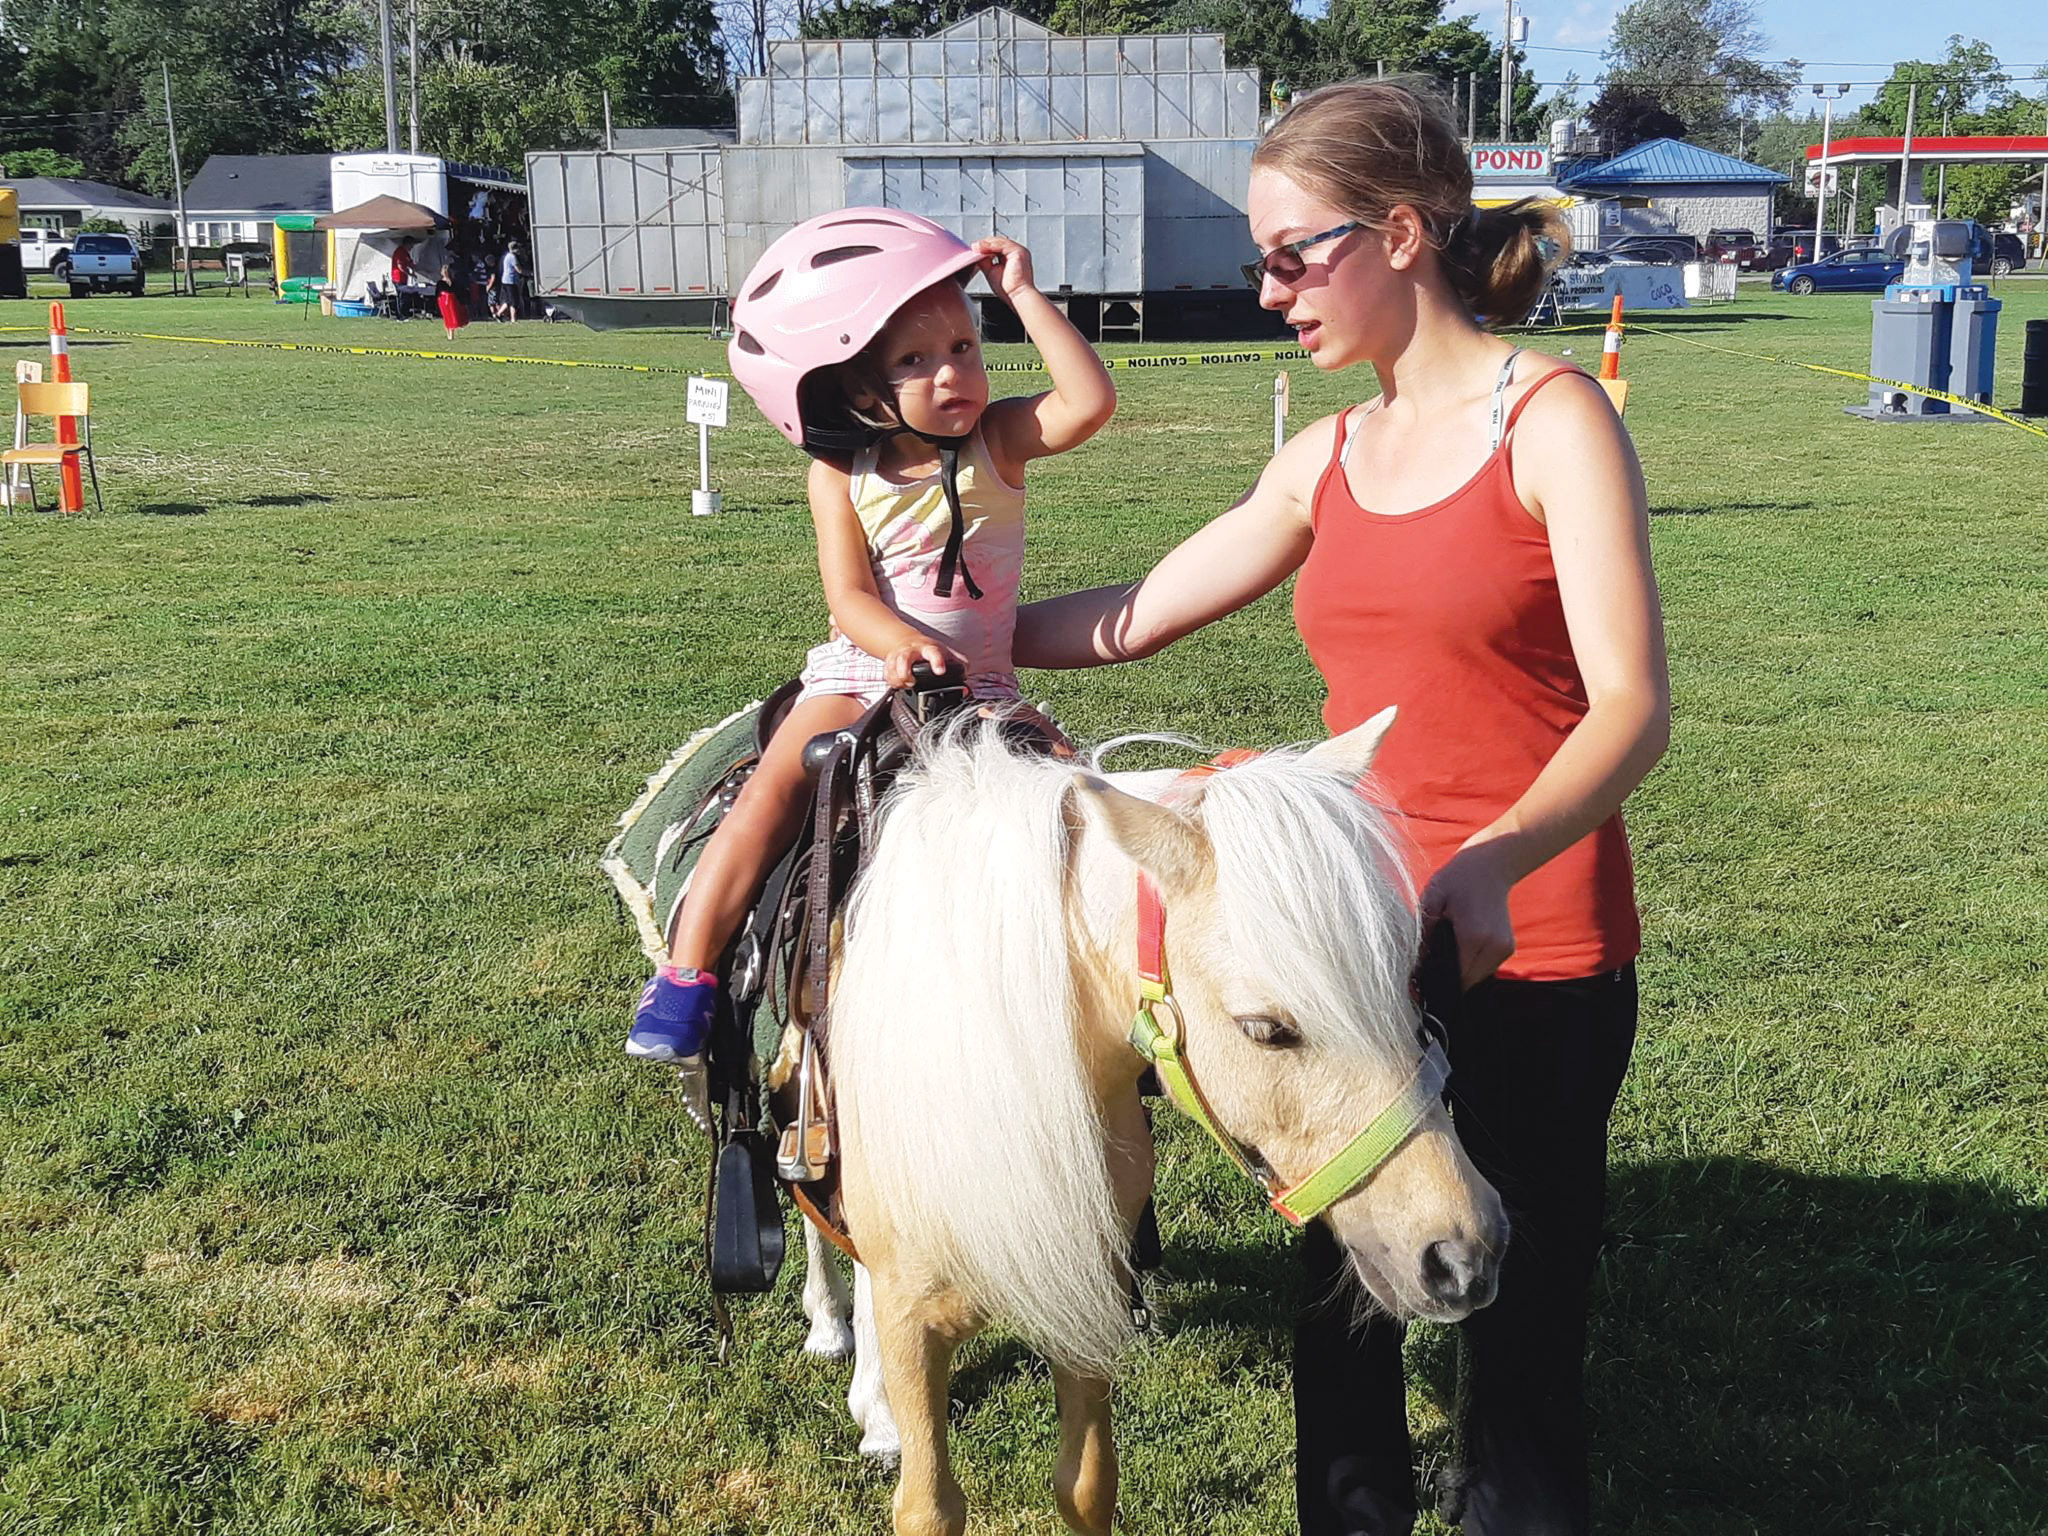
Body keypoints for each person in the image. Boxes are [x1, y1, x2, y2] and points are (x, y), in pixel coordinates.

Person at [1012, 78, 1669, 1536]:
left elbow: (1632, 707)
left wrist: (1493, 864)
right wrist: (964, 636)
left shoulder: (1549, 422)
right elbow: (1137, 614)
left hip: (1531, 943)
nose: (1269, 290)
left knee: (1520, 1341)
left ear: (1402, 231)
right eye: (1265, 260)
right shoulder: (1325, 456)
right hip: (1346, 950)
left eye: (1295, 253)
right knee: (1345, 1330)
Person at [625, 209, 1115, 1067]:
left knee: (1085, 808)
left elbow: (1089, 402)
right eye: (914, 362)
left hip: (985, 689)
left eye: (963, 347)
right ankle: (688, 974)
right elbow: (848, 596)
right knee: (772, 792)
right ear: (859, 391)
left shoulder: (998, 440)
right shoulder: (840, 477)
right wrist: (896, 643)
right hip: (862, 672)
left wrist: (1025, 296)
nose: (951, 375)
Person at [434, 261, 466, 342]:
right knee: (446, 317)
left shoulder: (453, 282)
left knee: (452, 316)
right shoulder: (440, 282)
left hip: (452, 301)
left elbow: (455, 291)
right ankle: (448, 334)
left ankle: (451, 334)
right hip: (443, 301)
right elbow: (437, 293)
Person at [388, 237, 417, 318]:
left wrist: (418, 268)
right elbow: (400, 266)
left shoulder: (406, 253)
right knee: (401, 296)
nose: (412, 247)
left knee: (405, 296)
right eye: (411, 245)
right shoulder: (399, 252)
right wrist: (410, 274)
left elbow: (409, 263)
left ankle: (405, 313)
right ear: (407, 244)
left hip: (403, 278)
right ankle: (400, 315)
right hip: (398, 278)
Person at [496, 240, 525, 321]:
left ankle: (498, 314)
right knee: (514, 301)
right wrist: (529, 273)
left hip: (505, 280)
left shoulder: (507, 256)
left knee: (508, 300)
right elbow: (519, 269)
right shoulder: (512, 257)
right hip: (511, 281)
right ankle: (513, 319)